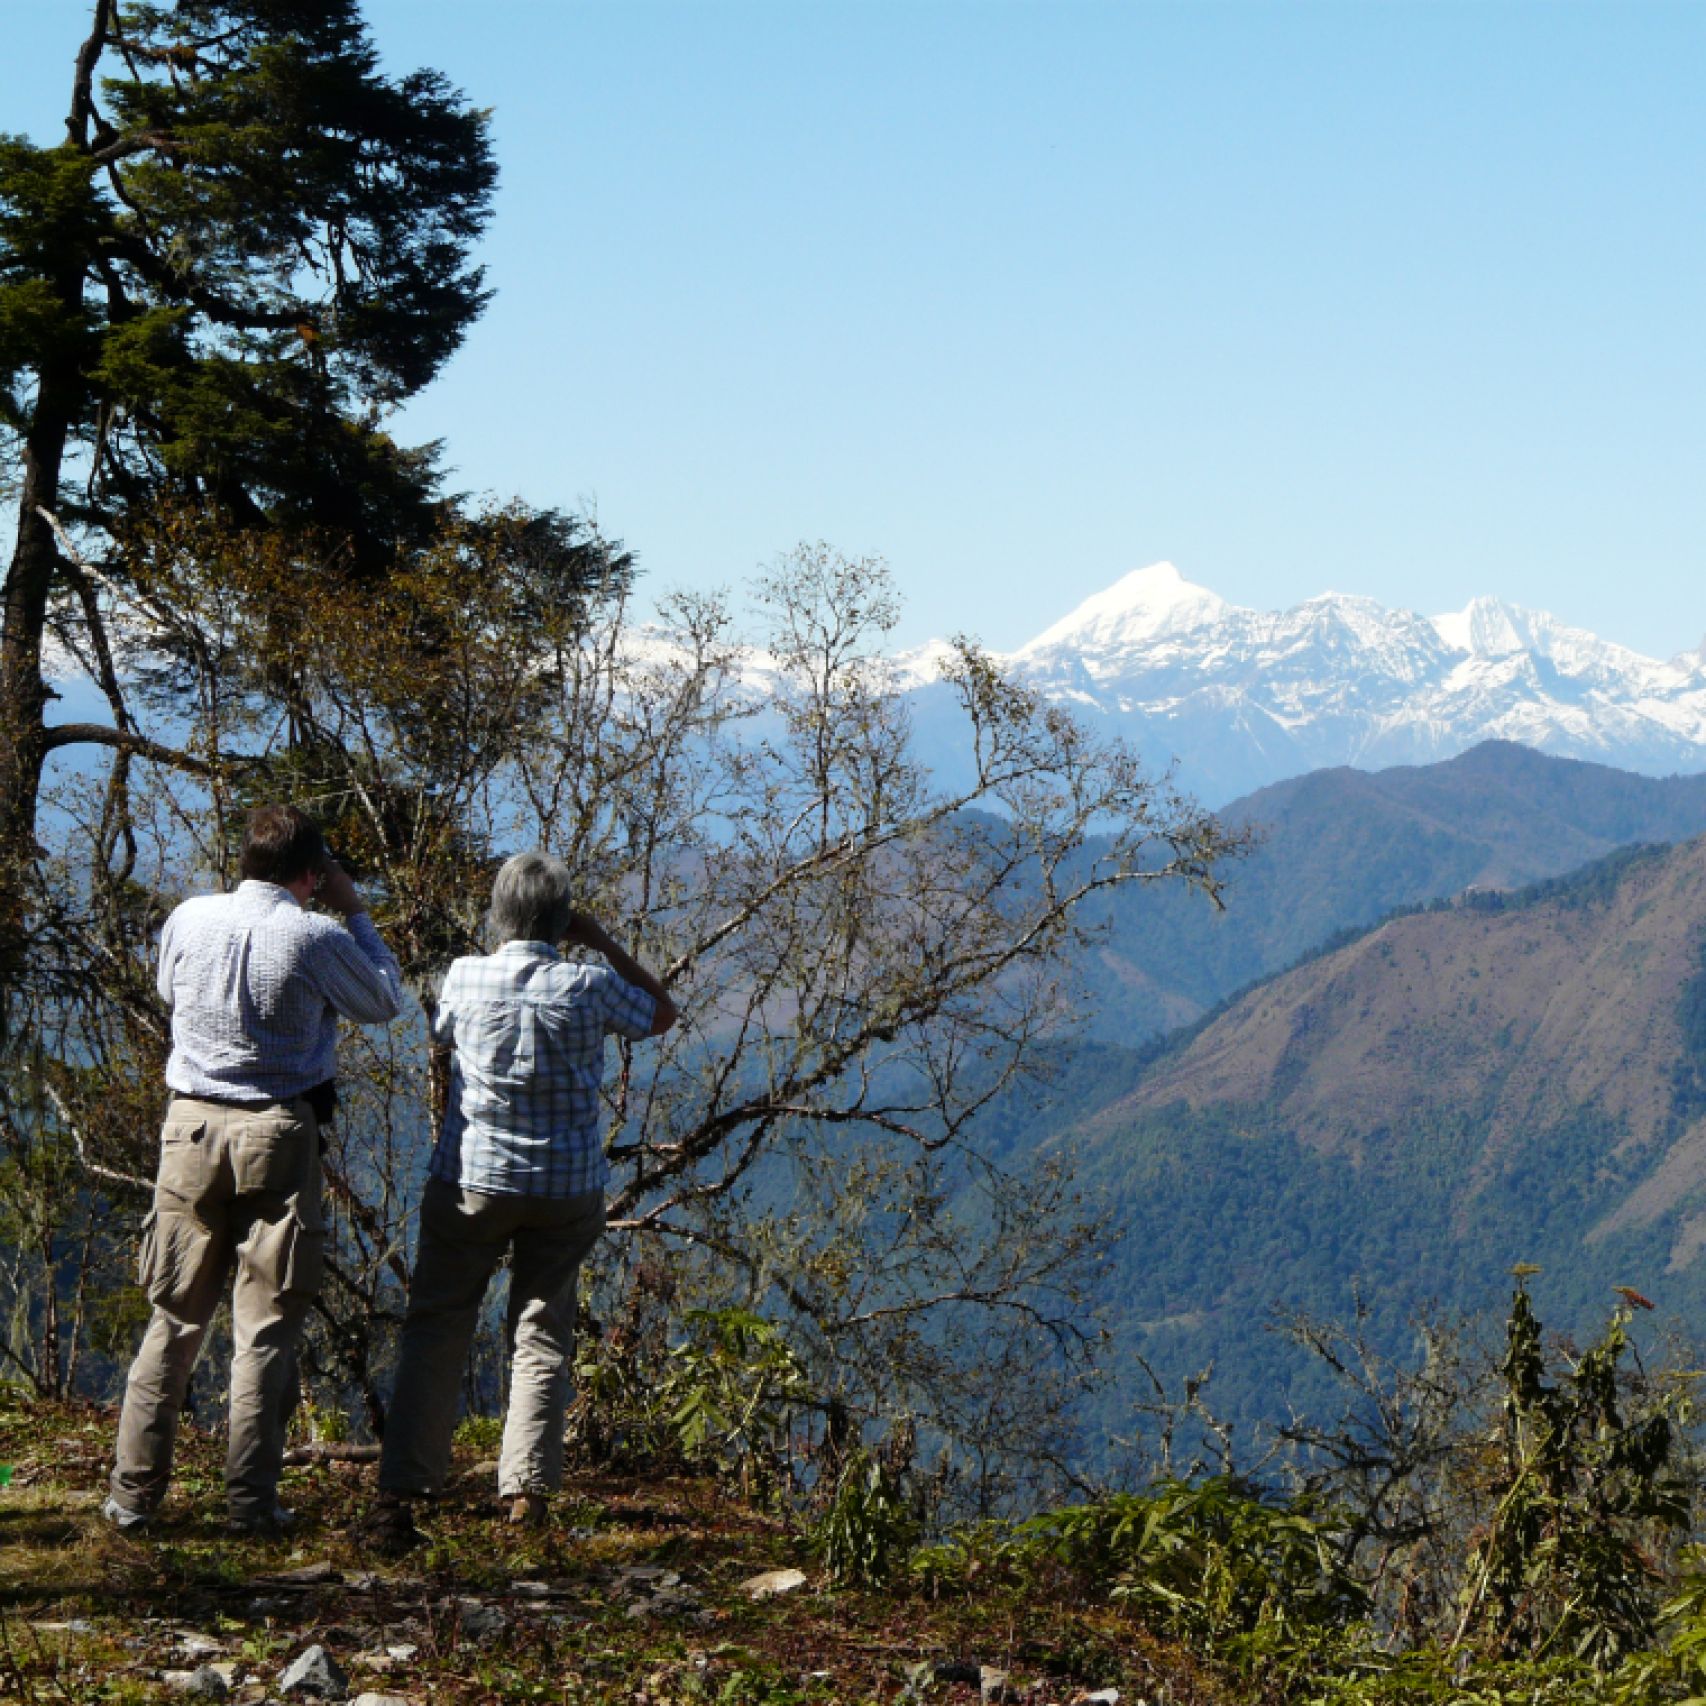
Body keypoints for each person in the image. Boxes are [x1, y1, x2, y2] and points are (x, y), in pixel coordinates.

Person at [358, 850, 675, 1551]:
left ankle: (405, 1483)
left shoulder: (465, 977)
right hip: (564, 1190)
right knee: (540, 1337)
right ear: (563, 920)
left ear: (497, 914)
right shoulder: (590, 984)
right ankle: (526, 1494)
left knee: (437, 1326)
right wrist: (598, 940)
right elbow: (661, 1013)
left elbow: (441, 1034)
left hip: (471, 1182)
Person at [105, 804, 403, 1535]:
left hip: (189, 1125)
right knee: (263, 1329)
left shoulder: (189, 917)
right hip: (276, 1128)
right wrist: (356, 909)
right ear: (312, 873)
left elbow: (173, 994)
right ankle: (250, 1504)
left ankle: (132, 1498)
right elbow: (384, 999)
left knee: (173, 1318)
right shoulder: (315, 935)